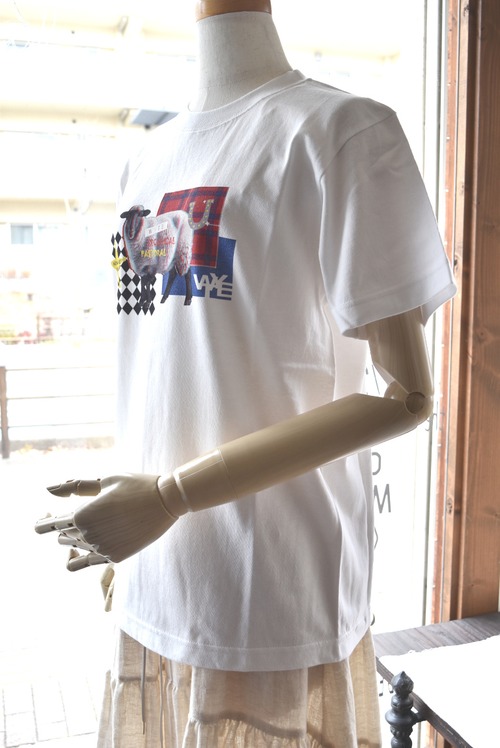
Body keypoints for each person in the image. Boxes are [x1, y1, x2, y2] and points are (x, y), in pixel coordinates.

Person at [36, 2, 455, 746]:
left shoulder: (341, 132)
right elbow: (167, 353)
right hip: (150, 573)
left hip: (275, 594)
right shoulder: (142, 161)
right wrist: (142, 512)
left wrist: (171, 495)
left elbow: (407, 395)